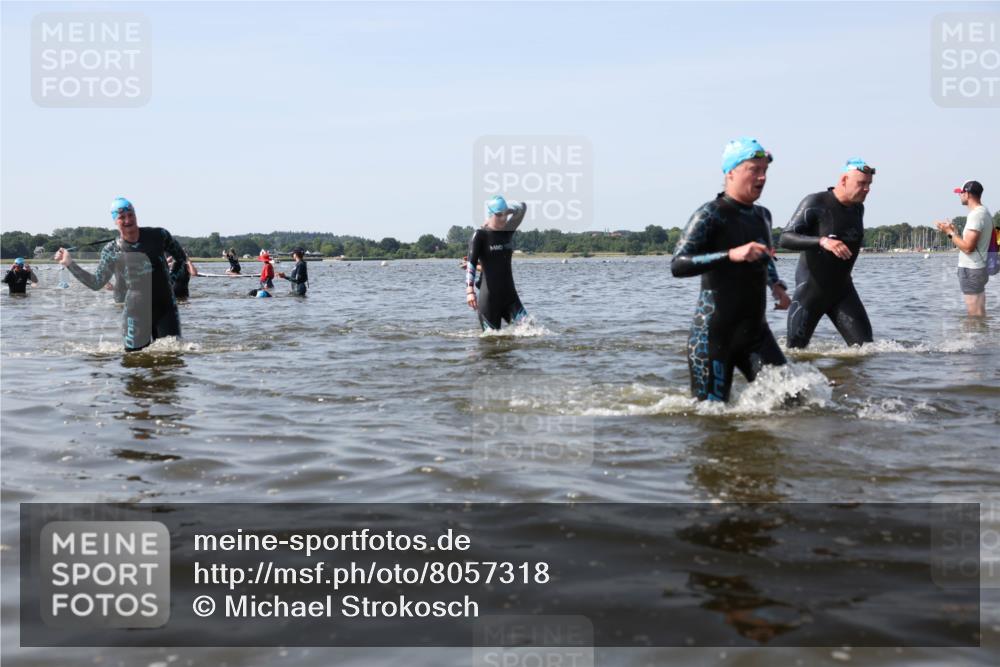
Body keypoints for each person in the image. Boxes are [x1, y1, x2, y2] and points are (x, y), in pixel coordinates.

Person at [670, 137, 791, 402]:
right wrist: (730, 255)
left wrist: (777, 286)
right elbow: (678, 264)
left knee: (793, 403)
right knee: (712, 418)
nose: (762, 178)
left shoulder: (763, 216)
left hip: (756, 334)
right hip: (713, 338)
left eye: (765, 171)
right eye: (754, 170)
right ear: (731, 172)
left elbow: (764, 256)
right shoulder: (710, 214)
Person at [54, 197, 186, 351]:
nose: (128, 220)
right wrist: (70, 264)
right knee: (134, 362)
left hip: (166, 309)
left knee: (172, 358)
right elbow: (97, 283)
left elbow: (181, 259)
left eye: (131, 215)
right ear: (115, 221)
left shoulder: (159, 235)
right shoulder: (111, 250)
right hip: (135, 312)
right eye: (122, 217)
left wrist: (170, 280)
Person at [779, 158, 875, 348]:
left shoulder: (858, 208)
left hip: (843, 291)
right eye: (861, 183)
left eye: (869, 184)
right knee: (796, 353)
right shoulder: (816, 202)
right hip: (810, 292)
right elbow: (785, 238)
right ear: (844, 180)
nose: (866, 189)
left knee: (866, 351)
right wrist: (822, 241)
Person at [465, 195, 528, 330]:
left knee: (531, 331)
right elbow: (471, 263)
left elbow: (522, 207)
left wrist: (507, 210)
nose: (503, 218)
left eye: (505, 214)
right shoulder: (480, 235)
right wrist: (470, 291)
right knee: (491, 344)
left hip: (510, 297)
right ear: (490, 214)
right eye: (499, 215)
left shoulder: (508, 231)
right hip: (489, 301)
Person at [936, 181, 992, 317]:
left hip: (972, 270)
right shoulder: (983, 212)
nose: (959, 196)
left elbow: (968, 248)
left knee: (974, 314)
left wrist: (949, 232)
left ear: (967, 194)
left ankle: (974, 337)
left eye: (960, 193)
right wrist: (955, 233)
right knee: (979, 312)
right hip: (978, 268)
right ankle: (981, 337)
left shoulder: (976, 215)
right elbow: (968, 244)